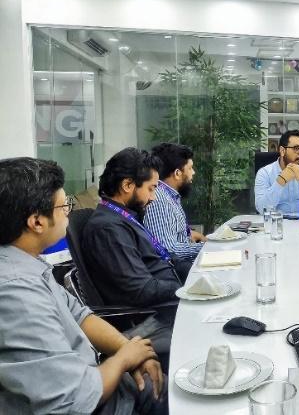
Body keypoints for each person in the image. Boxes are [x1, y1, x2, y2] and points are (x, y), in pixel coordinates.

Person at [0, 157, 167, 414]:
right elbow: (74, 400)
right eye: (63, 205)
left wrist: (127, 348)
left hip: (96, 378)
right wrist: (124, 359)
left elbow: (81, 316)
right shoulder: (16, 294)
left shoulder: (28, 265)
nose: (68, 211)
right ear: (37, 222)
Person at [82, 148, 181, 353]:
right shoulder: (108, 229)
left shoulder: (123, 217)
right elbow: (140, 291)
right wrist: (187, 289)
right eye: (151, 189)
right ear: (127, 185)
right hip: (151, 320)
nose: (153, 197)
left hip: (166, 307)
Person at [144, 143, 205, 266]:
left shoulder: (169, 195)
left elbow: (173, 233)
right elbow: (168, 250)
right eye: (190, 168)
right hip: (177, 273)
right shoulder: (159, 200)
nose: (193, 172)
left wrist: (200, 238)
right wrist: (208, 247)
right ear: (177, 173)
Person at [255, 130, 299, 214]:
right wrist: (280, 181)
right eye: (296, 148)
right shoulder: (264, 173)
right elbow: (261, 209)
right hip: (278, 223)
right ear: (282, 151)